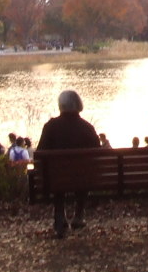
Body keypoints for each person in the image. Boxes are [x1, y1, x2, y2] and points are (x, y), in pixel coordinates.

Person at [35, 90, 100, 238]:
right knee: (83, 172)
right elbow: (98, 154)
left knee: (58, 177)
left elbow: (40, 154)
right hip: (84, 179)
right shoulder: (87, 127)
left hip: (55, 180)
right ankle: (78, 215)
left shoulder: (50, 127)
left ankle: (59, 216)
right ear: (78, 105)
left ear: (60, 106)